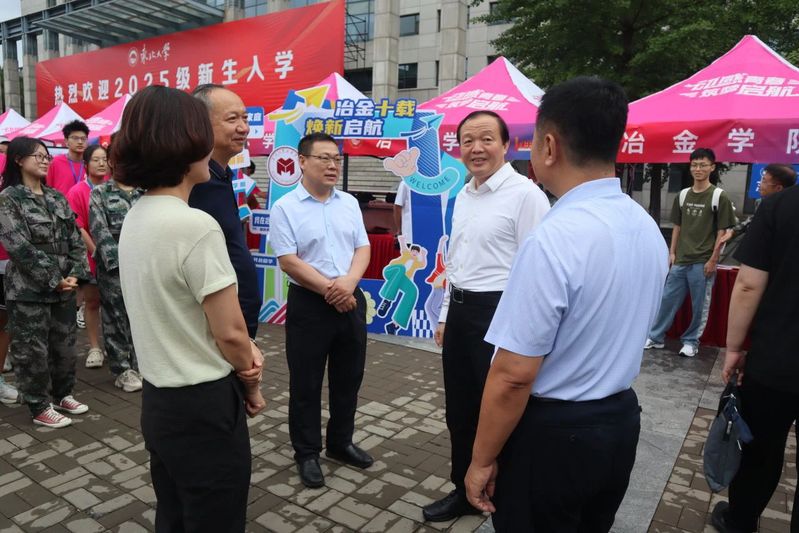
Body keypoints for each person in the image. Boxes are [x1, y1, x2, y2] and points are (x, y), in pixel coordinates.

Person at [463, 76, 668, 532]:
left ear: (549, 145)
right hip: (618, 423)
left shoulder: (554, 237)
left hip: (555, 437)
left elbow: (513, 375)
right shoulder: (645, 226)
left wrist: (481, 460)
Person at [114, 86, 266, 532]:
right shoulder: (195, 225)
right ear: (184, 143)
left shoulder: (137, 214)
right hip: (203, 402)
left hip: (160, 399)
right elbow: (231, 333)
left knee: (175, 512)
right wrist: (252, 379)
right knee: (216, 517)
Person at [422, 110, 550, 522]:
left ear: (506, 145)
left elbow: (537, 271)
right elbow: (457, 260)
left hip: (500, 313)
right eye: (468, 141)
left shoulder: (526, 195)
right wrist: (445, 313)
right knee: (460, 410)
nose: (476, 148)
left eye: (486, 139)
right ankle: (463, 489)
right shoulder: (464, 194)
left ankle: (507, 496)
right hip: (461, 311)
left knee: (500, 410)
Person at [268, 132, 372, 489]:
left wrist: (349, 284)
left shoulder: (349, 203)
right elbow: (289, 261)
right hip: (310, 304)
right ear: (302, 161)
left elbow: (362, 248)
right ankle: (307, 452)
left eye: (336, 159)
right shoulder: (285, 208)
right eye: (324, 158)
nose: (332, 165)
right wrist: (332, 290)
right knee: (306, 383)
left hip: (350, 299)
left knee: (348, 379)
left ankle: (341, 443)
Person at [710, 184, 799, 532]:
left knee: (762, 449)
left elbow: (748, 284)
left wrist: (733, 348)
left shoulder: (779, 206)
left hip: (777, 357)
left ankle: (740, 521)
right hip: (777, 358)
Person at [0, 136, 91, 428]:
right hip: (29, 290)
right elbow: (18, 246)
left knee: (65, 345)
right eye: (37, 155)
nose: (44, 160)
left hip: (64, 286)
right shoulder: (8, 198)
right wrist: (54, 278)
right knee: (32, 350)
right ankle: (39, 405)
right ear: (18, 160)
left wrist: (76, 272)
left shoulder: (56, 197)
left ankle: (63, 394)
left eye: (46, 156)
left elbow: (75, 238)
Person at [644, 148, 736, 357]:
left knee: (699, 306)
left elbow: (722, 232)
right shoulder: (683, 195)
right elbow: (677, 226)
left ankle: (691, 341)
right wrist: (672, 252)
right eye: (694, 165)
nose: (698, 169)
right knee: (667, 300)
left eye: (703, 165)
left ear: (712, 167)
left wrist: (713, 259)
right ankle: (656, 337)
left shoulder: (718, 196)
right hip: (681, 259)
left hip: (703, 261)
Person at [190, 84, 260, 339]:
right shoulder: (195, 182)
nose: (244, 128)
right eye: (232, 119)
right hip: (216, 333)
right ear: (200, 124)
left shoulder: (222, 175)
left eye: (245, 118)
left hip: (236, 330)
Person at [89, 148, 143, 392]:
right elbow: (99, 231)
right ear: (111, 162)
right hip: (114, 268)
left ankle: (142, 363)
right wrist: (120, 263)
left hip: (144, 265)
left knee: (141, 315)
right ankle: (122, 369)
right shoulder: (100, 193)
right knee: (115, 317)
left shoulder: (146, 192)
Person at [66, 144, 107, 369]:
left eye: (104, 159)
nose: (101, 163)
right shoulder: (78, 191)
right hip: (91, 257)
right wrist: (96, 251)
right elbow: (78, 226)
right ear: (86, 164)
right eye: (95, 160)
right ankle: (94, 346)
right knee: (92, 302)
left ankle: (116, 345)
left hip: (115, 257)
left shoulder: (114, 188)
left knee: (116, 304)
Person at [46, 120, 89, 195]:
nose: (80, 142)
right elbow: (47, 188)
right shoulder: (55, 162)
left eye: (83, 138)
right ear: (66, 141)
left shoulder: (91, 163)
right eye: (75, 138)